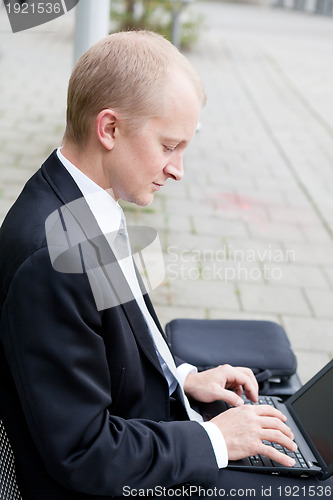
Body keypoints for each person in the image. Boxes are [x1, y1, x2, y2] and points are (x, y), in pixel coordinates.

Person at [0, 31, 316, 500]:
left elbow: (120, 337)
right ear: (109, 129)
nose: (177, 169)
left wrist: (183, 376)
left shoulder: (88, 200)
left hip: (153, 428)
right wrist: (216, 440)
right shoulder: (53, 260)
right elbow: (84, 453)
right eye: (169, 146)